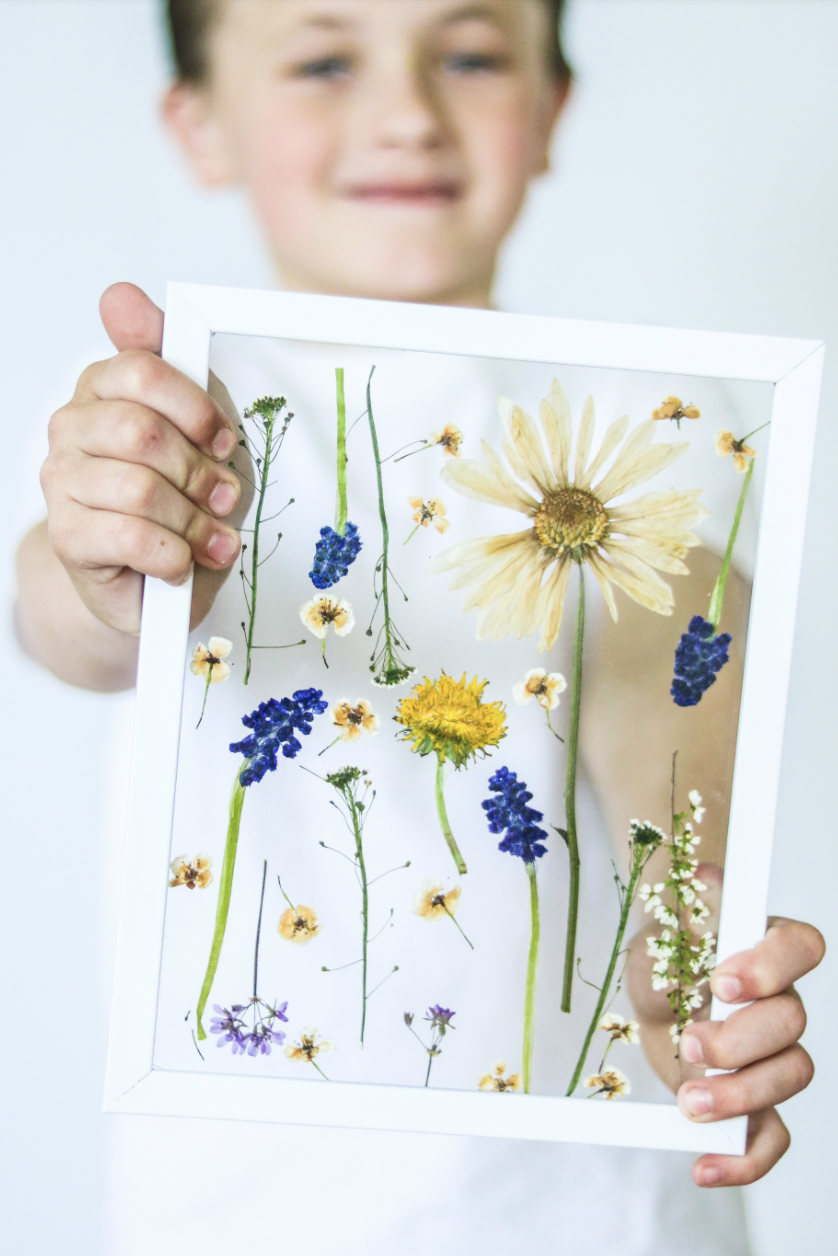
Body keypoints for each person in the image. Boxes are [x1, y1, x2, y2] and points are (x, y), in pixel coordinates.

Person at [14, 0, 823, 1248]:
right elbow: (70, 620)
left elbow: (666, 644)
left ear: (552, 107)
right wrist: (112, 555)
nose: (405, 113)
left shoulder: (653, 413)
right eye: (324, 59)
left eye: (471, 53)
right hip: (237, 1210)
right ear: (200, 123)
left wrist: (689, 893)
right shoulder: (180, 414)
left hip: (597, 1214)